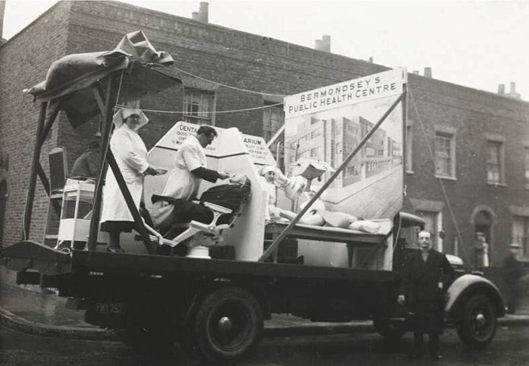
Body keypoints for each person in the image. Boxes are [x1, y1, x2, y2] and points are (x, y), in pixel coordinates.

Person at [100, 108, 165, 253]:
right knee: (118, 210)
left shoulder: (134, 135)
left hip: (133, 178)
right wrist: (148, 169)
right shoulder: (120, 134)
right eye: (132, 117)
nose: (135, 120)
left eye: (137, 117)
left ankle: (150, 241)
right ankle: (113, 245)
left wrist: (149, 168)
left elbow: (139, 157)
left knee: (132, 210)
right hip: (121, 177)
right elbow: (128, 155)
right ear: (124, 119)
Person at [398, 230, 453, 360]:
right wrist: (402, 294)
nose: (424, 241)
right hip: (417, 296)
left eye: (427, 239)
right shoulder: (411, 257)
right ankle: (418, 353)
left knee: (434, 327)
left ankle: (434, 354)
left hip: (433, 296)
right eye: (422, 238)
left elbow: (449, 272)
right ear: (418, 240)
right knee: (418, 327)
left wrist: (441, 282)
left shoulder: (439, 257)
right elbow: (405, 277)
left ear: (431, 241)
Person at [162, 125, 230, 201]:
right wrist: (218, 175)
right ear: (203, 135)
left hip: (189, 183)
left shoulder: (196, 145)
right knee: (173, 206)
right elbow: (196, 169)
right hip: (182, 183)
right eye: (209, 140)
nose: (210, 143)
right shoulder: (190, 145)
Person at [501, 243, 525, 314]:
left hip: (515, 281)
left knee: (513, 296)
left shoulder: (516, 260)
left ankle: (512, 309)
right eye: (514, 249)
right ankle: (510, 309)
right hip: (510, 282)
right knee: (510, 296)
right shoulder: (508, 260)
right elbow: (506, 271)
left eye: (517, 249)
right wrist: (512, 279)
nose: (516, 251)